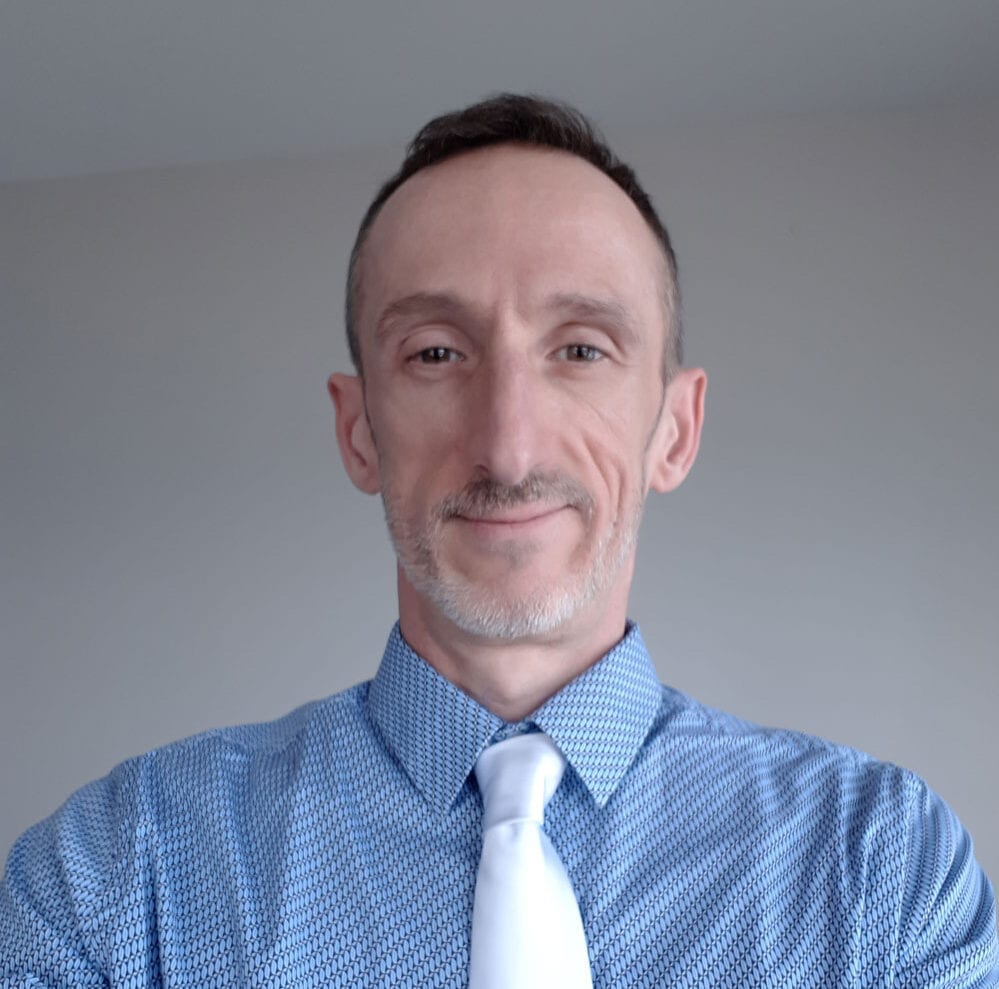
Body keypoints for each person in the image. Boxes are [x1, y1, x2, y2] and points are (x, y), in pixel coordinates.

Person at [1, 93, 996, 988]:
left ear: (675, 428)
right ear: (358, 429)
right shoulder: (118, 876)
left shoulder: (885, 871)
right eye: (436, 352)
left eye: (581, 349)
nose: (508, 446)